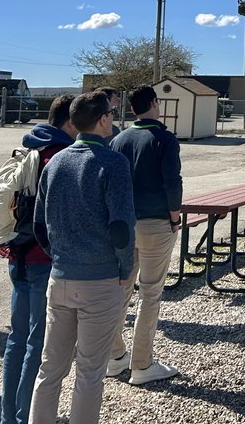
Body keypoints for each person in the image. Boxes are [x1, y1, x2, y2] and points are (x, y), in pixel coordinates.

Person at [28, 91, 136, 424]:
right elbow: (120, 228)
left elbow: (39, 225)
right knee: (90, 372)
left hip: (60, 278)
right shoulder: (113, 163)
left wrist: (59, 257)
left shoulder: (56, 161)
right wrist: (124, 267)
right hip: (100, 279)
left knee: (50, 368)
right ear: (103, 119)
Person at [0, 94, 76, 424]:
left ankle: (9, 417)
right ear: (71, 122)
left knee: (16, 340)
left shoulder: (28, 148)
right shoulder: (60, 156)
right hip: (44, 259)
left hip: (17, 254)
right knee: (38, 343)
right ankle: (29, 416)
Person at [106, 85, 182, 386]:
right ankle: (143, 363)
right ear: (154, 103)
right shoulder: (164, 139)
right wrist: (175, 217)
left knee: (119, 291)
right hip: (156, 223)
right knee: (150, 293)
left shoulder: (119, 139)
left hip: (124, 225)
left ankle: (114, 356)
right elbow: (172, 183)